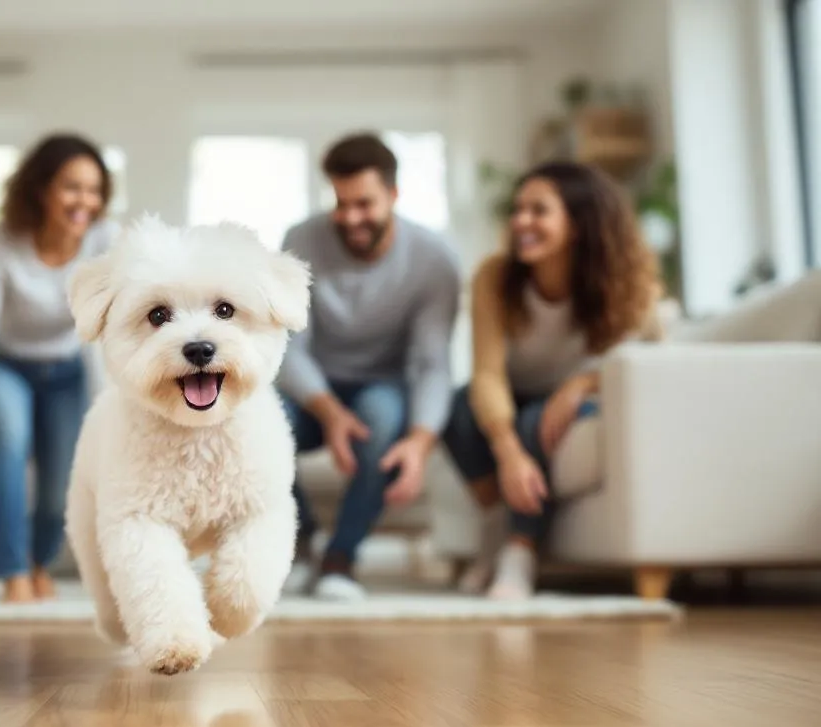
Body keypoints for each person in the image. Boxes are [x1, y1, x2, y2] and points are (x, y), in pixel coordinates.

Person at [441, 160, 663, 601]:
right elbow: (487, 373)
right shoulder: (495, 276)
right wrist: (507, 453)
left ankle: (520, 554)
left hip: (578, 400)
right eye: (518, 209)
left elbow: (647, 363)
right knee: (457, 409)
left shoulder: (630, 286)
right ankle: (496, 525)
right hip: (512, 391)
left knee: (535, 425)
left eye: (538, 211)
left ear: (579, 224)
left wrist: (581, 385)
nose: (521, 221)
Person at [0, 133, 119, 603]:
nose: (85, 202)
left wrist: (105, 416)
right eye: (71, 187)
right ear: (41, 189)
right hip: (7, 368)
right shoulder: (0, 243)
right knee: (10, 441)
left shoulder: (104, 242)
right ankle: (13, 569)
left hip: (66, 371)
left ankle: (39, 561)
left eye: (94, 190)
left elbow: (101, 333)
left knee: (62, 482)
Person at [278, 132, 462, 601]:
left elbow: (431, 364)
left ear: (394, 195)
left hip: (384, 384)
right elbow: (291, 349)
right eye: (341, 204)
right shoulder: (300, 240)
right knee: (260, 421)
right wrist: (330, 413)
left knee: (380, 421)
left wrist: (420, 443)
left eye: (365, 204)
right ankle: (300, 541)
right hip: (316, 384)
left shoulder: (434, 259)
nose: (350, 218)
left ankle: (341, 559)